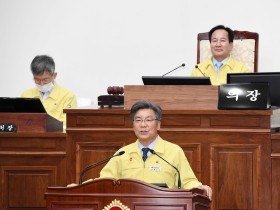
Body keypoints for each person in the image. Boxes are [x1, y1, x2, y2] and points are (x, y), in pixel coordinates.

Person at [99, 100, 212, 199]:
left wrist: (199, 187)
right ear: (133, 125)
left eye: (148, 120)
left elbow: (187, 181)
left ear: (158, 125)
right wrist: (83, 186)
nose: (143, 125)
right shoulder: (122, 153)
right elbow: (104, 181)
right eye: (138, 120)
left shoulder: (174, 151)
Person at [21, 55, 77, 125]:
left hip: (56, 135)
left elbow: (67, 124)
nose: (41, 84)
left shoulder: (68, 96)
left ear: (54, 75)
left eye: (45, 80)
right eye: (37, 80)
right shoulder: (26, 95)